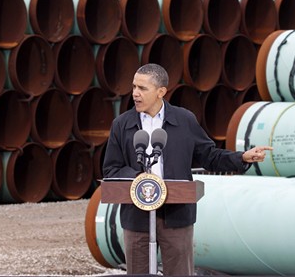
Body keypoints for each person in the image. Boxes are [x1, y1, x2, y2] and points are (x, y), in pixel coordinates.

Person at [102, 63, 272, 276]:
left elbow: (209, 156)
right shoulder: (122, 124)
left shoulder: (184, 120)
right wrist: (141, 181)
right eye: (134, 87)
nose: (135, 93)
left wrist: (242, 157)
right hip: (137, 217)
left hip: (176, 215)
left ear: (161, 92)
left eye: (142, 88)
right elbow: (111, 170)